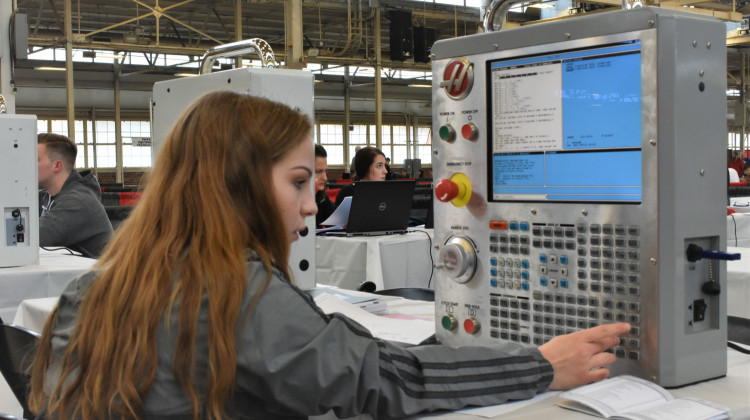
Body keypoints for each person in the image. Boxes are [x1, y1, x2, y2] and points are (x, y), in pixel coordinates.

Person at [30, 91, 629, 420]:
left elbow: (331, 354)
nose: (311, 207)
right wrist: (542, 366)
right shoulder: (236, 291)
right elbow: (383, 383)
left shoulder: (96, 289)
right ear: (237, 184)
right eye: (297, 183)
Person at [37, 133, 113, 258]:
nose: (28, 165)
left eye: (36, 159)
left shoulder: (77, 202)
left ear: (57, 165)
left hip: (100, 276)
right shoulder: (50, 197)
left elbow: (31, 239)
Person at [314, 144, 337, 227]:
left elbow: (336, 222)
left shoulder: (322, 197)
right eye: (319, 171)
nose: (325, 177)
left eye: (325, 171)